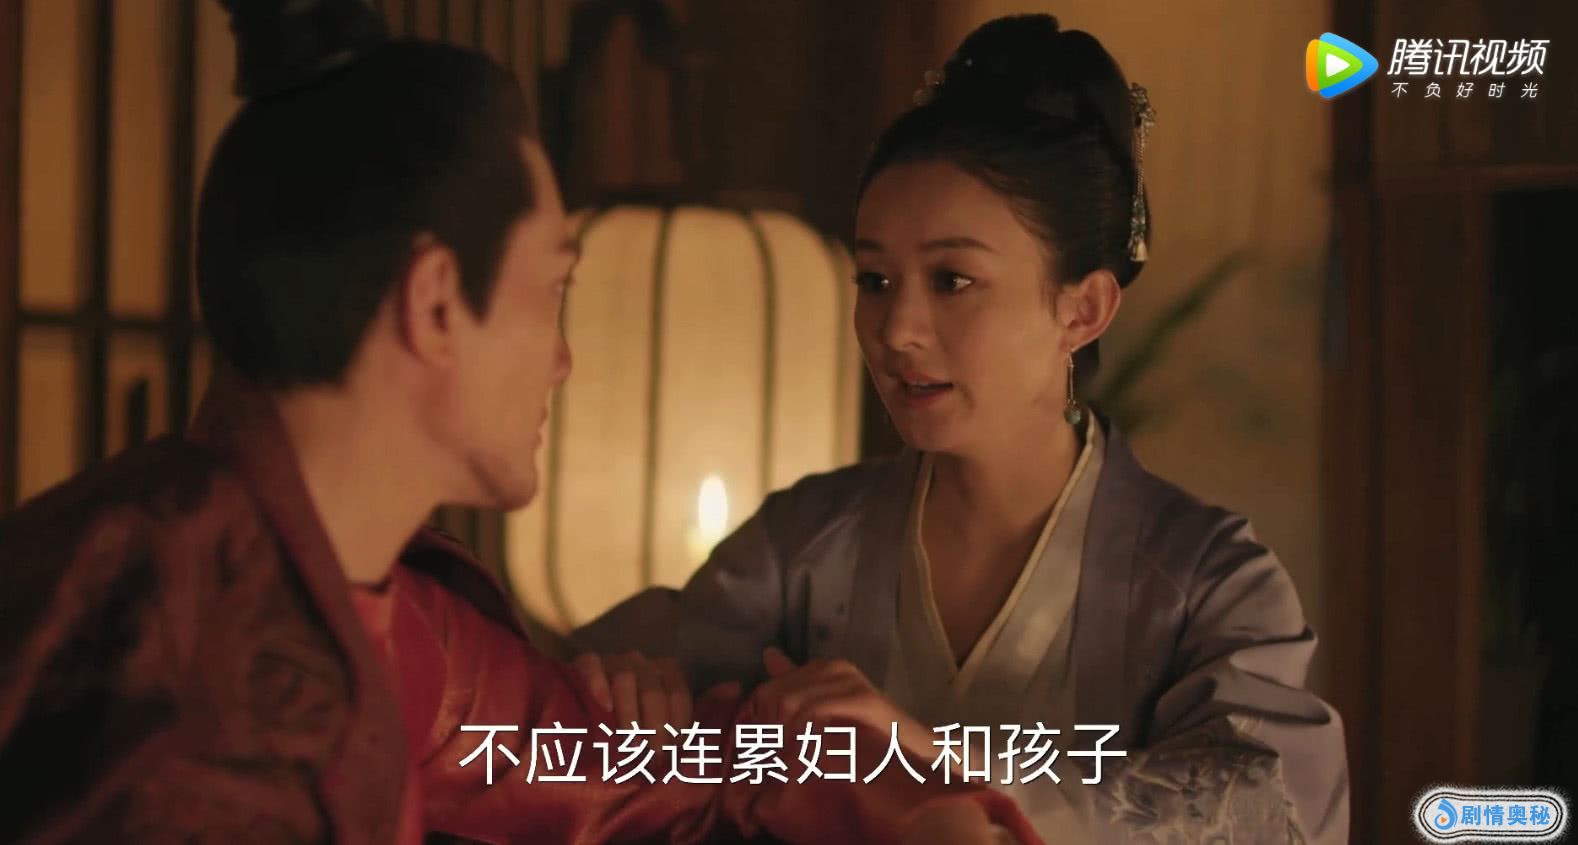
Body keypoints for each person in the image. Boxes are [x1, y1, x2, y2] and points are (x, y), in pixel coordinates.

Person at [0, 2, 1041, 843]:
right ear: (435, 304)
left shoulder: (374, 607)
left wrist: (913, 799)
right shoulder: (188, 695)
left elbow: (611, 770)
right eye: (552, 290)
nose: (564, 359)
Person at [572, 13, 1350, 845]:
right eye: (875, 279)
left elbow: (1265, 812)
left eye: (952, 279)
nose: (897, 328)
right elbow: (641, 718)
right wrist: (629, 688)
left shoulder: (1210, 583)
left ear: (1082, 308)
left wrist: (935, 760)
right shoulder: (799, 547)